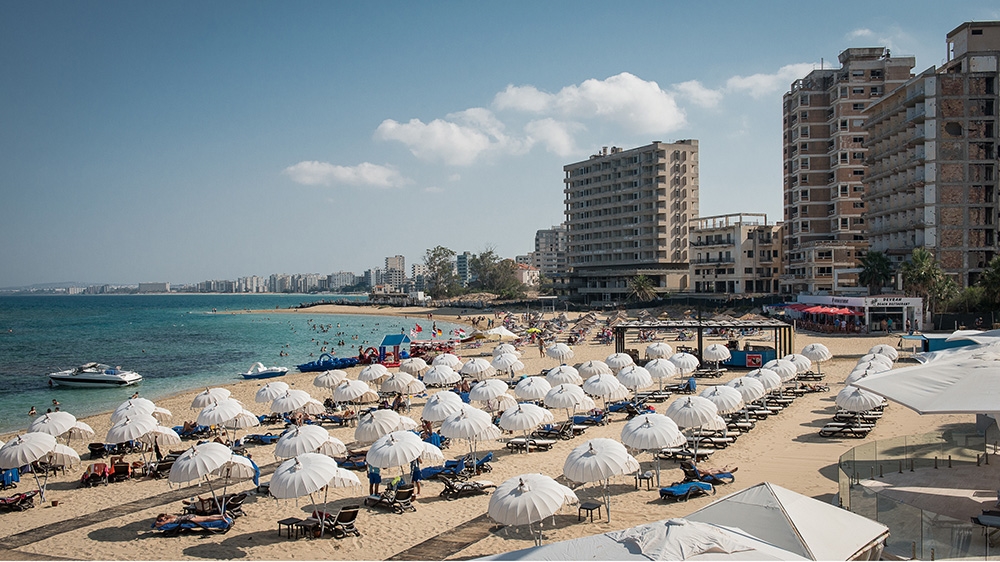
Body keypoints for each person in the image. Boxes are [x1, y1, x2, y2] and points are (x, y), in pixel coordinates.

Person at [154, 513, 228, 528]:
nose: (161, 520)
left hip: (188, 519)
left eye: (161, 518)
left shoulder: (169, 519)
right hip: (189, 516)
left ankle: (220, 518)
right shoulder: (172, 516)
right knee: (206, 517)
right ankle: (222, 515)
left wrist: (158, 523)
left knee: (206, 519)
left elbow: (160, 524)